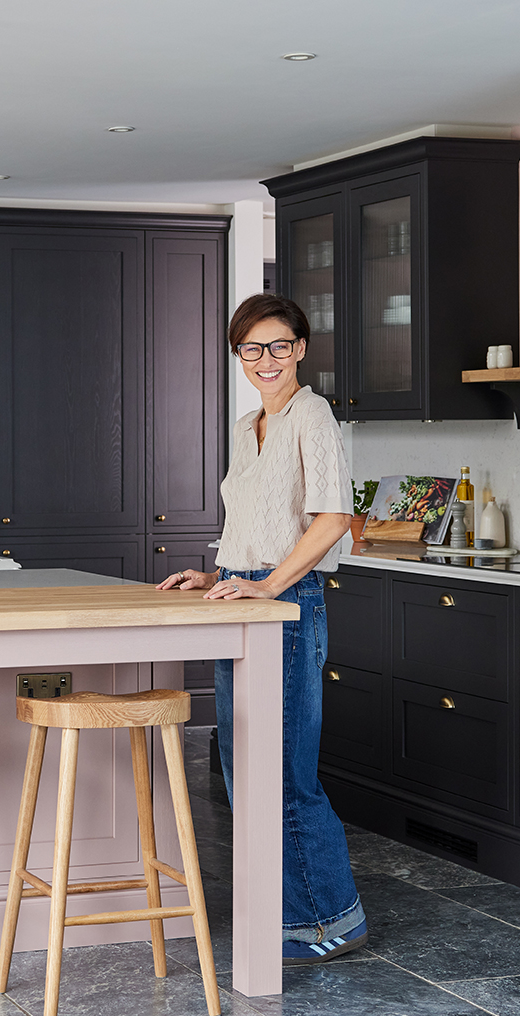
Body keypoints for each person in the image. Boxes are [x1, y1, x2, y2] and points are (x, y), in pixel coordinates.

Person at [156, 292, 366, 965]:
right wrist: (214, 574)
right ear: (238, 355)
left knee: (282, 771)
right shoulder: (250, 424)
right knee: (244, 766)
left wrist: (269, 585)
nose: (265, 359)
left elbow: (332, 518)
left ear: (300, 349)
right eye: (252, 348)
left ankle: (328, 921)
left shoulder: (313, 415)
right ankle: (285, 914)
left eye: (278, 345)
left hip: (288, 602)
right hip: (244, 597)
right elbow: (254, 522)